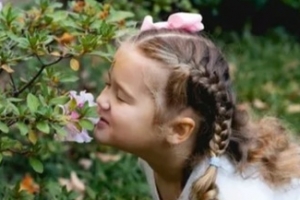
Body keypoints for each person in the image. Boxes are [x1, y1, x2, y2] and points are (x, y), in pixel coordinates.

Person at [94, 12, 300, 200]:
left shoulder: (232, 194)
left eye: (121, 97)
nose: (101, 100)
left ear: (178, 130)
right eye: (108, 84)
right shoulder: (160, 154)